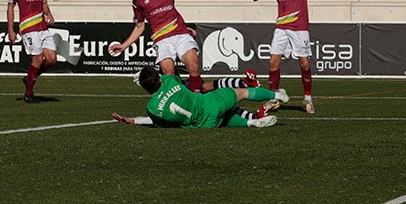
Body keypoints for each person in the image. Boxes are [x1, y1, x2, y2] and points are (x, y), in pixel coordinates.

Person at [235, 0, 323, 114]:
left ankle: (308, 99)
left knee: (304, 63)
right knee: (273, 63)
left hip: (299, 28)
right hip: (282, 28)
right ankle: (274, 98)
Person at [108, 0, 205, 92]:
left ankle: (197, 102)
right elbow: (139, 27)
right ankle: (177, 103)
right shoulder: (139, 1)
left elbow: (171, 13)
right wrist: (124, 46)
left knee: (193, 67)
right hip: (162, 39)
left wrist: (184, 28)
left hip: (181, 34)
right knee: (169, 74)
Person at [112, 65, 286, 129]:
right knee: (243, 92)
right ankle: (277, 94)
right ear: (159, 78)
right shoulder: (171, 82)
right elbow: (167, 75)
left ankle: (253, 122)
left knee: (224, 119)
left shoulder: (151, 108)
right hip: (210, 103)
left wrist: (133, 121)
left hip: (203, 124)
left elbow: (157, 123)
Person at [7, 0, 56, 102]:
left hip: (42, 27)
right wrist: (11, 30)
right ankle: (29, 93)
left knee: (52, 59)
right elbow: (10, 7)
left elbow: (43, 3)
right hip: (28, 28)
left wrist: (49, 14)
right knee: (38, 59)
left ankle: (29, 78)